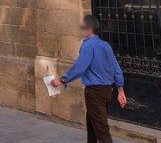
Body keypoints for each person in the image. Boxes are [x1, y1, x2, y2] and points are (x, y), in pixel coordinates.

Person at [51, 14, 127, 143]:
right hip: (107, 91)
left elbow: (79, 68)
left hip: (94, 93)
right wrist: (120, 90)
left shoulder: (88, 46)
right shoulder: (105, 45)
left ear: (88, 29)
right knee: (92, 126)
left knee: (101, 130)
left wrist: (62, 80)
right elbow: (116, 68)